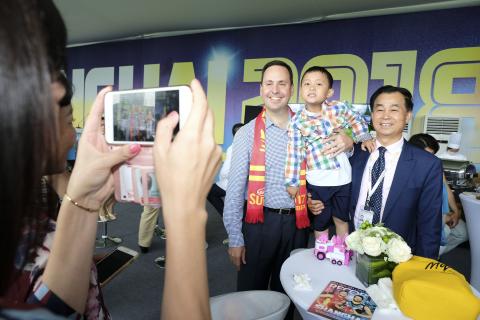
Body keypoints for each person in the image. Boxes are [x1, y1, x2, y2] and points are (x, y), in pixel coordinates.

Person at [223, 60, 354, 296]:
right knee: (251, 295)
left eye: (282, 83)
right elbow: (233, 191)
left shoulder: (313, 124)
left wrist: (349, 143)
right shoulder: (246, 133)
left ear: (291, 88)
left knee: (291, 293)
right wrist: (234, 238)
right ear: (261, 89)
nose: (275, 90)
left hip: (299, 224)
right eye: (269, 83)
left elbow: (333, 162)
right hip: (259, 224)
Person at [348, 85, 443, 259]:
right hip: (351, 249)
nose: (385, 116)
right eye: (380, 109)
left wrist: (423, 268)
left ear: (407, 115)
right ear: (372, 115)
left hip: (398, 258)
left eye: (394, 109)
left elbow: (430, 224)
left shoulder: (427, 164)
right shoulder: (354, 154)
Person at [285, 66, 373, 240]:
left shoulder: (339, 108)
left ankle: (343, 252)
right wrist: (292, 181)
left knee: (341, 218)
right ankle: (322, 253)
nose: (311, 88)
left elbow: (357, 119)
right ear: (301, 89)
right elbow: (294, 153)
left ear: (329, 92)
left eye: (318, 84)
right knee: (321, 221)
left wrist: (364, 137)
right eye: (307, 84)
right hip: (318, 179)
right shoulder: (296, 122)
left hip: (343, 177)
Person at [408, 133, 468, 256]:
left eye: (432, 155)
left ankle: (433, 254)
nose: (431, 160)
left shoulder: (434, 166)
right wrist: (443, 218)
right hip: (431, 219)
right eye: (427, 155)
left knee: (463, 233)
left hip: (443, 213)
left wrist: (456, 211)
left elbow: (446, 189)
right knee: (444, 232)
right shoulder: (409, 172)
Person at [207, 123, 244, 217]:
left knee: (209, 191)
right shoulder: (251, 147)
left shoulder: (233, 148)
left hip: (233, 185)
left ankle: (226, 215)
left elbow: (225, 172)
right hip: (244, 186)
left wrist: (223, 178)